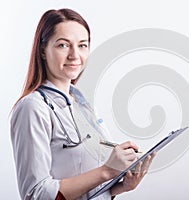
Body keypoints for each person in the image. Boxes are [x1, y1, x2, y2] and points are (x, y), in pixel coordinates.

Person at [10, 8, 154, 200]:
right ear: (43, 51)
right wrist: (106, 171)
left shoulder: (81, 103)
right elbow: (36, 194)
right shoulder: (33, 107)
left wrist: (118, 187)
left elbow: (85, 183)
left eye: (82, 45)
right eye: (63, 45)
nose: (74, 55)